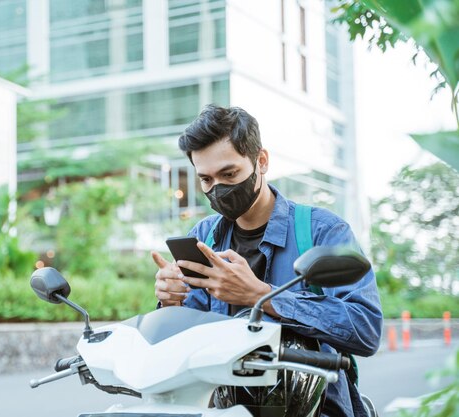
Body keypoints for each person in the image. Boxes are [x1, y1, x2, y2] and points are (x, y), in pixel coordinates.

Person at [151, 105, 383, 417]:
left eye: (229, 173)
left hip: (314, 407)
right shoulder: (203, 237)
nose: (218, 189)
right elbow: (183, 340)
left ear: (261, 161)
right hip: (226, 409)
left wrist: (262, 296)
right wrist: (171, 303)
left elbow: (366, 329)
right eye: (206, 179)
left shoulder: (322, 230)